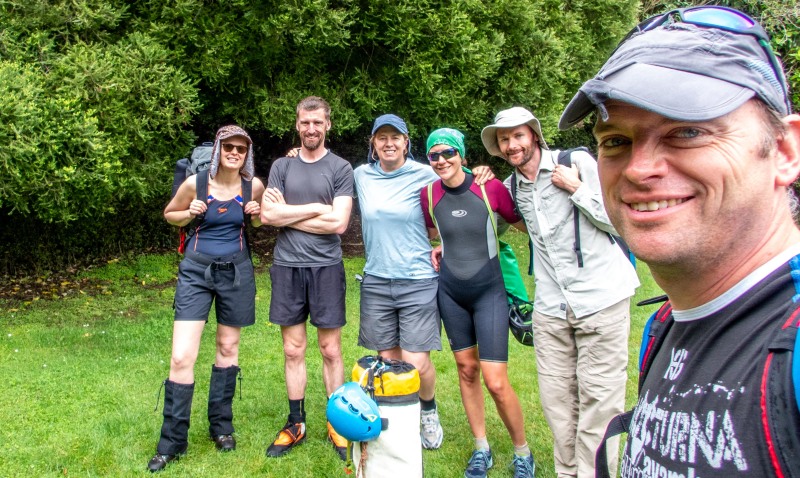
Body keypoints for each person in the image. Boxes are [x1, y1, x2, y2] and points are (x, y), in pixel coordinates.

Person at [558, 6, 800, 477]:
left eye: (688, 131)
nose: (637, 169)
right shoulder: (665, 324)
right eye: (616, 141)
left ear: (785, 151)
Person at [480, 106, 640, 478]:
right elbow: (489, 227)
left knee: (599, 403)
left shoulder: (577, 163)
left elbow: (619, 220)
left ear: (534, 135)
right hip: (551, 308)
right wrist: (479, 187)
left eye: (518, 135)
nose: (511, 144)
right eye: (504, 139)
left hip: (601, 298)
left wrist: (578, 189)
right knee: (558, 404)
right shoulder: (510, 188)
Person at [148, 125, 265, 472]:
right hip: (196, 272)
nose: (234, 153)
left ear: (247, 154)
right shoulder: (195, 184)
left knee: (228, 349)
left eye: (240, 149)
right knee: (182, 355)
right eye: (228, 147)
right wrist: (190, 212)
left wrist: (256, 214)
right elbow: (170, 215)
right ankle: (172, 441)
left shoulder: (252, 186)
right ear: (217, 150)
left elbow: (257, 226)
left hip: (237, 272)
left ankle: (221, 427)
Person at [420, 128, 535, 478]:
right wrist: (438, 248)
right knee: (466, 371)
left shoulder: (490, 187)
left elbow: (527, 227)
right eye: (434, 155)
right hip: (451, 292)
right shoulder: (428, 194)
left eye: (448, 153)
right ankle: (481, 448)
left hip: (490, 292)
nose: (441, 161)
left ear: (462, 155)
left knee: (496, 381)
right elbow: (435, 232)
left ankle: (522, 453)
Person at [260, 96, 354, 461]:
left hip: (326, 266)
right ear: (297, 124)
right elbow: (268, 217)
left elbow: (340, 223)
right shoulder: (282, 166)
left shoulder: (341, 168)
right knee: (292, 349)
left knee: (330, 349)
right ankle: (296, 423)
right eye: (304, 123)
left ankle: (337, 422)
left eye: (317, 122)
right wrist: (317, 207)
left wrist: (288, 214)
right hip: (287, 266)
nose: (311, 129)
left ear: (328, 124)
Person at [354, 114, 444, 449]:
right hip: (377, 280)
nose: (389, 143)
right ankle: (401, 418)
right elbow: (325, 182)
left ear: (407, 141)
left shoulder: (426, 173)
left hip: (418, 278)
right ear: (373, 144)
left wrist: (446, 241)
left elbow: (463, 194)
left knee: (416, 362)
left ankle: (429, 410)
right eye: (382, 138)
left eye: (396, 137)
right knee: (390, 362)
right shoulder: (361, 175)